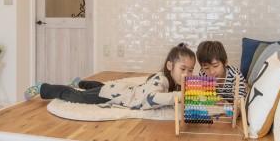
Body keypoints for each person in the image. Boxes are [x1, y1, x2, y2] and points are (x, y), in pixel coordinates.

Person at [25, 43, 197, 110]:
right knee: (77, 96)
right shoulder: (162, 80)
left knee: (101, 87)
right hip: (113, 95)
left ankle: (80, 82)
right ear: (170, 66)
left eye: (190, 70)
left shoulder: (173, 80)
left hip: (120, 90)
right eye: (183, 69)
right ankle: (44, 88)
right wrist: (178, 96)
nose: (186, 74)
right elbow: (152, 98)